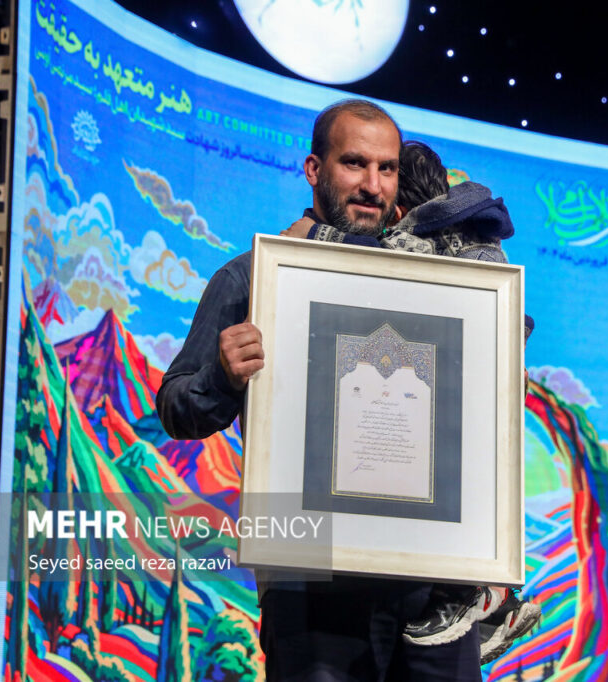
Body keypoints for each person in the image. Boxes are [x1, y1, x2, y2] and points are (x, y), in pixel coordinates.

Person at [157, 99, 482, 681]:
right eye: (354, 163)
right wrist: (222, 377)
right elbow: (177, 407)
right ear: (314, 169)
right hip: (311, 579)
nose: (373, 185)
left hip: (431, 584)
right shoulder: (255, 276)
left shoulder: (439, 282)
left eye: (387, 168)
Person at [283, 139, 542, 662]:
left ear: (401, 205)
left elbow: (386, 267)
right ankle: (495, 597)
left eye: (386, 177)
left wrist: (316, 236)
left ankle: (478, 594)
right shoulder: (477, 231)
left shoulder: (425, 237)